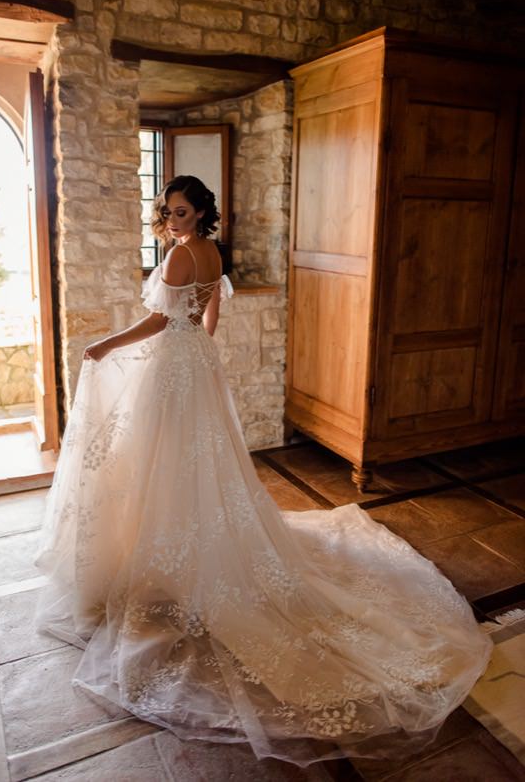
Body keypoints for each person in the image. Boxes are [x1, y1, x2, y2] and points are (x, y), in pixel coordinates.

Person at [33, 174, 492, 767]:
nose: (171, 220)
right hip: (194, 362)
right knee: (191, 460)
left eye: (180, 212)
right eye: (166, 211)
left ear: (200, 213)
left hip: (174, 362)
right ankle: (180, 539)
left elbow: (157, 323)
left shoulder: (179, 256)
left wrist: (106, 346)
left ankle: (169, 551)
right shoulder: (211, 251)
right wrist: (196, 355)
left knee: (163, 458)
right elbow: (208, 318)